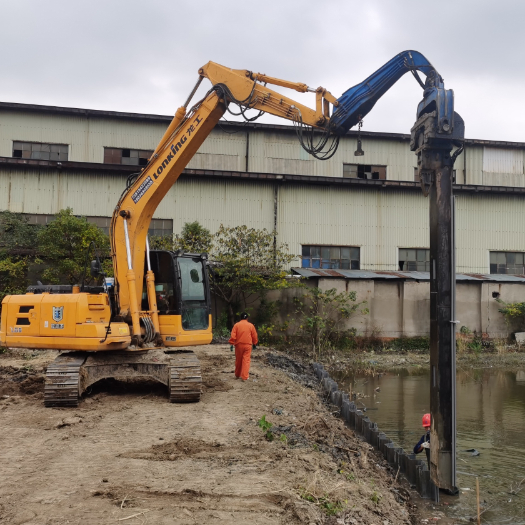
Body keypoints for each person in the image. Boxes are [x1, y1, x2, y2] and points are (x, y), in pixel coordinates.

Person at [229, 312, 258, 381]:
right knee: (246, 360)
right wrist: (254, 343)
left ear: (240, 318)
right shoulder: (251, 325)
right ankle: (244, 377)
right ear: (247, 318)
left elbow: (233, 335)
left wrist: (231, 343)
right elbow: (254, 336)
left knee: (238, 360)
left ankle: (237, 374)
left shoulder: (236, 325)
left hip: (238, 345)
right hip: (248, 345)